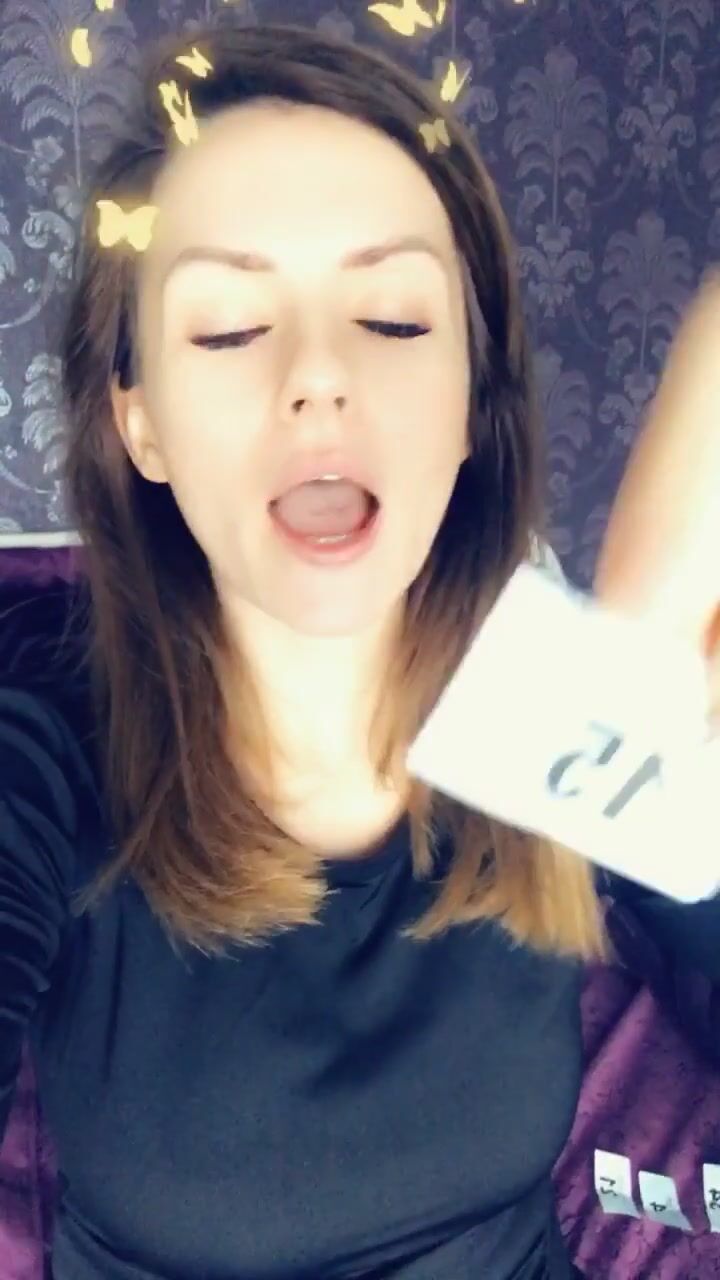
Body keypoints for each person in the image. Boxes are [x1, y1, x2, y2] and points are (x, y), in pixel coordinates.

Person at [0, 20, 718, 1280]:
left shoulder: (553, 710)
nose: (319, 374)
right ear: (140, 420)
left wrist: (648, 652)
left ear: (472, 401)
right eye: (228, 329)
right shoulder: (44, 755)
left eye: (390, 317)